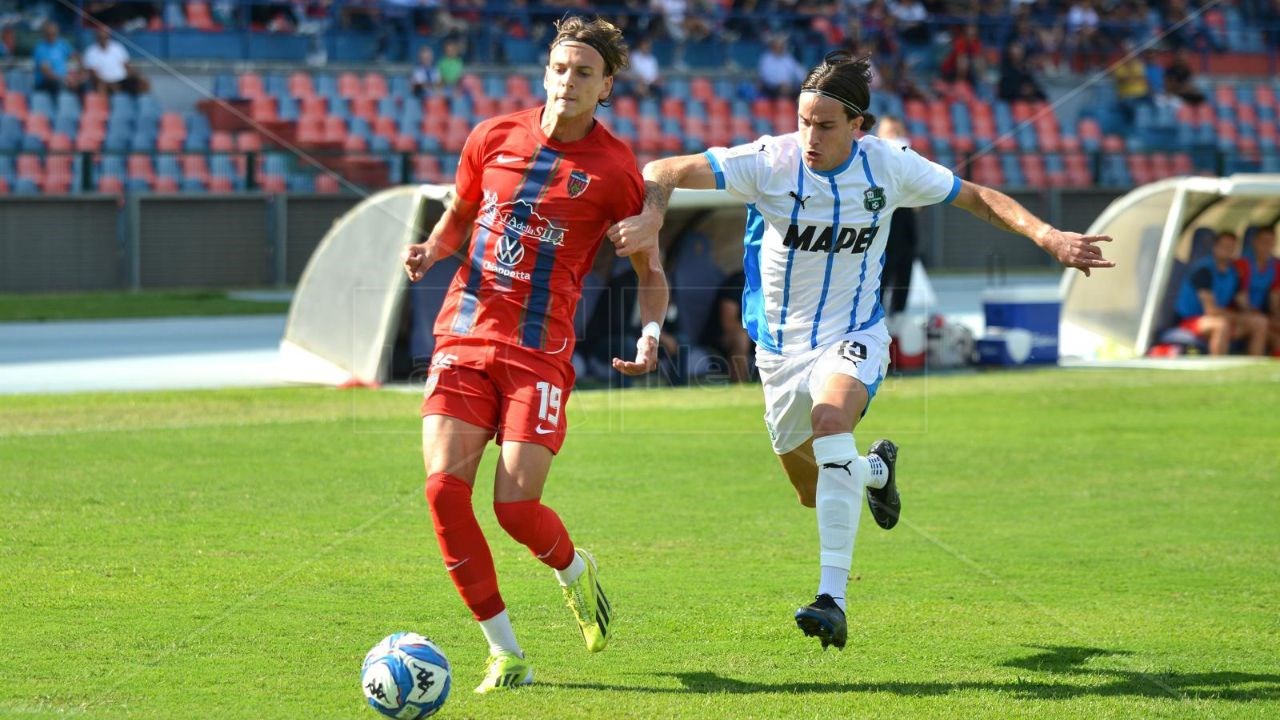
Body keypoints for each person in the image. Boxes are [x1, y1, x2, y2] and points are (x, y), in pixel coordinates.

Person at [616, 51, 1113, 651]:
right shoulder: (769, 161)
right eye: (803, 120)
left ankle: (833, 599)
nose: (809, 136)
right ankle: (875, 469)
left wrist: (1048, 235)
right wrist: (650, 217)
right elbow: (663, 168)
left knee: (831, 422)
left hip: (854, 333)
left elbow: (976, 196)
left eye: (825, 125)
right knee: (814, 488)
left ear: (860, 126)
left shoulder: (890, 166)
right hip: (778, 350)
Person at [400, 16, 667, 694]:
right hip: (462, 336)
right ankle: (506, 652)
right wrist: (434, 248)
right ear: (544, 72)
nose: (568, 81)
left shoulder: (614, 171)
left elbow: (650, 272)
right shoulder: (493, 136)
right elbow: (459, 213)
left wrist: (649, 336)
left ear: (606, 86)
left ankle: (576, 572)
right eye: (560, 68)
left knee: (515, 509)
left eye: (585, 72)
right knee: (441, 491)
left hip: (537, 355)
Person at [1173, 230, 1266, 355]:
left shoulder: (1234, 272)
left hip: (1223, 317)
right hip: (1193, 320)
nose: (1228, 250)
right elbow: (1211, 310)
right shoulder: (1203, 270)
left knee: (1259, 322)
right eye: (1224, 246)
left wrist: (1254, 315)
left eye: (1232, 247)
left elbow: (1243, 303)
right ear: (1215, 247)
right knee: (1221, 325)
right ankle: (1216, 366)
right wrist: (1238, 317)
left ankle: (1255, 367)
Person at [872, 116, 919, 318]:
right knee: (881, 273)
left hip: (905, 224)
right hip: (883, 225)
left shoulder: (910, 159)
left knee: (904, 271)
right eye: (890, 132)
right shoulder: (872, 159)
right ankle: (876, 314)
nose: (896, 137)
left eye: (898, 132)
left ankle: (899, 314)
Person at [1232, 226, 1280, 353]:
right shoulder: (1242, 264)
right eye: (1264, 241)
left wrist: (1276, 316)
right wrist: (1258, 315)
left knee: (1277, 337)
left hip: (1260, 314)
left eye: (1271, 242)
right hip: (1240, 314)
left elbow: (1274, 298)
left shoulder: (1275, 267)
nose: (1267, 246)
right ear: (1255, 242)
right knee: (1261, 323)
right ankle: (1254, 362)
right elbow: (1241, 299)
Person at [83, 25, 148, 95]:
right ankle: (103, 104)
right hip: (103, 82)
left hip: (121, 80)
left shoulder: (118, 47)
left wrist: (138, 76)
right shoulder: (91, 51)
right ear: (97, 37)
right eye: (101, 37)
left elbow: (127, 65)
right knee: (101, 86)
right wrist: (109, 84)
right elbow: (93, 73)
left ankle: (142, 104)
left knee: (142, 83)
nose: (103, 39)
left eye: (105, 37)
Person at [32, 21, 78, 95]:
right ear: (45, 34)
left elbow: (75, 57)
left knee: (82, 84)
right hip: (46, 83)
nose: (52, 36)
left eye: (54, 33)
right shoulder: (40, 48)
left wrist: (75, 77)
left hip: (63, 80)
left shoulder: (62, 43)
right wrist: (65, 80)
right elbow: (47, 72)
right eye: (49, 34)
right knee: (56, 83)